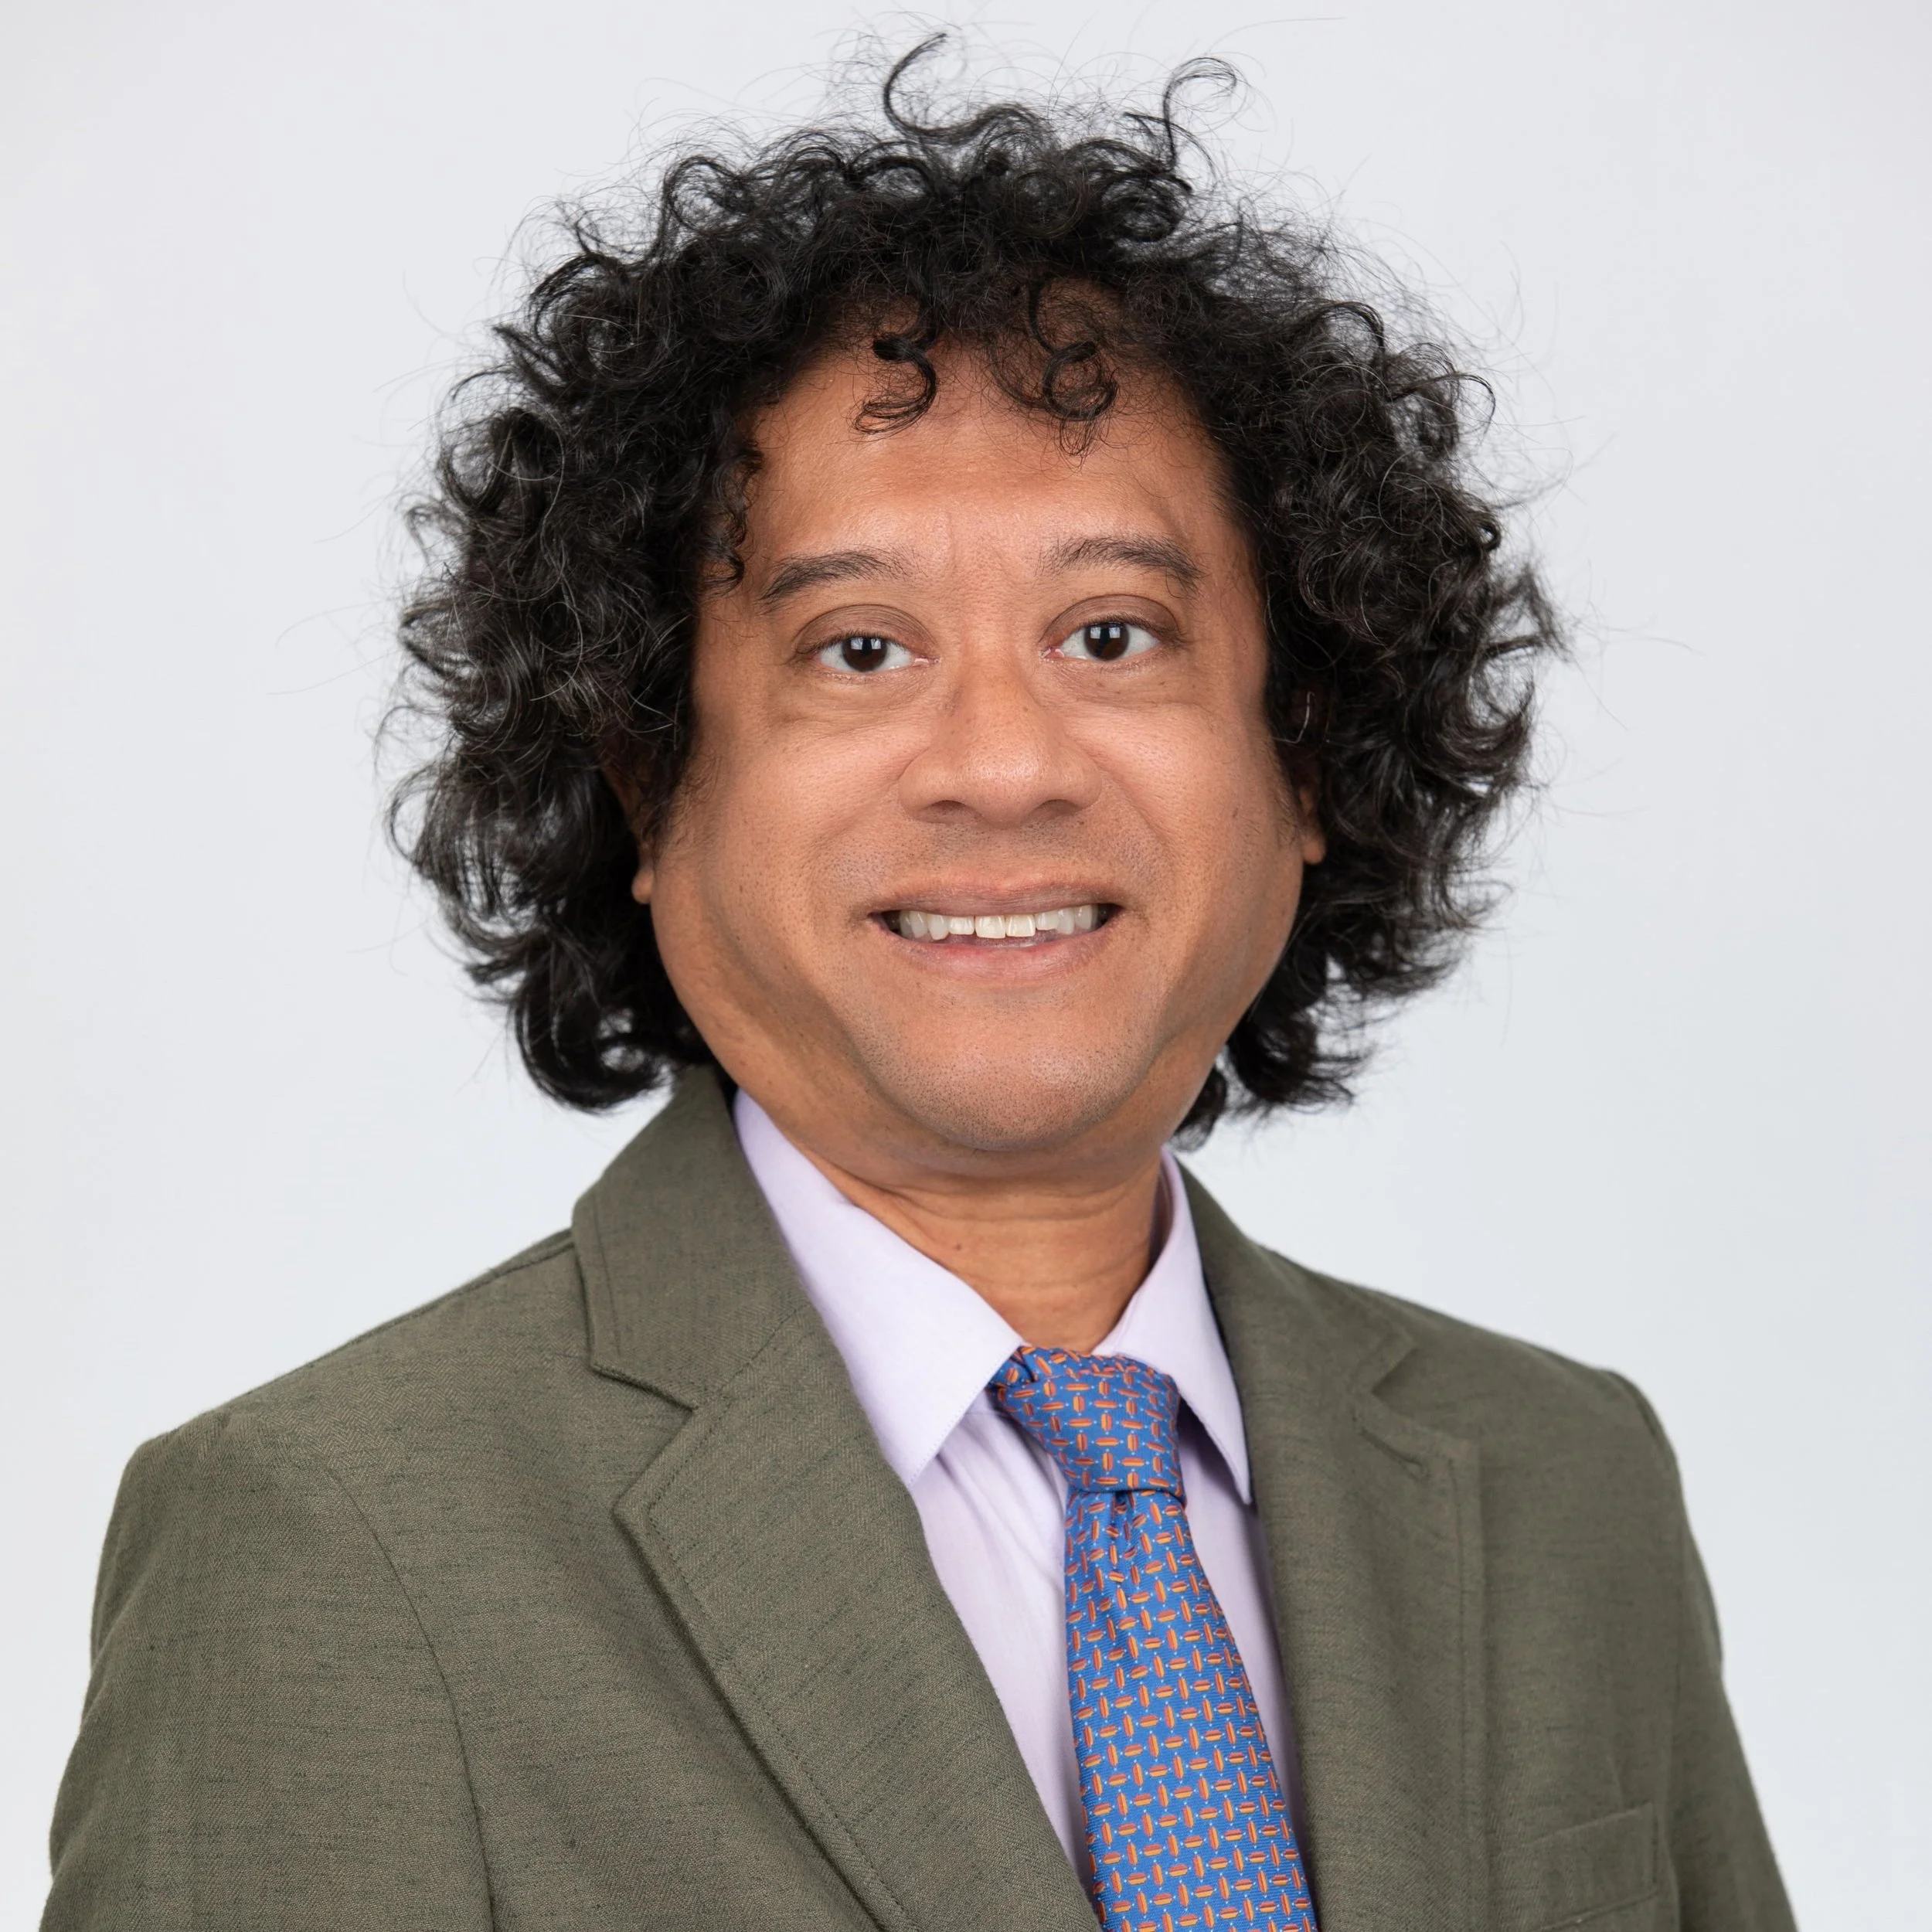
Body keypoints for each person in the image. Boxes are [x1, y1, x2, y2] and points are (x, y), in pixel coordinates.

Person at [43, 50, 1795, 1932]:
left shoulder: (1561, 1481)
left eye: (1109, 634)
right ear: (646, 773)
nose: (1004, 761)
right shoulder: (329, 1545)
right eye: (858, 646)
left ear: (1301, 757)